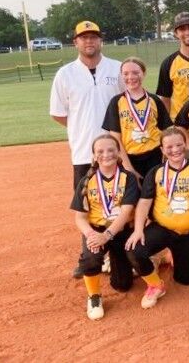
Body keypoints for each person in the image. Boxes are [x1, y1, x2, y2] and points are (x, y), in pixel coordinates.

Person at [50, 20, 125, 278]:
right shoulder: (65, 74)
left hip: (118, 152)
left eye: (93, 36)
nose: (89, 41)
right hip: (84, 153)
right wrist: (83, 129)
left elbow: (129, 105)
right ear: (76, 42)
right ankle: (92, 254)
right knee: (89, 205)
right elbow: (59, 114)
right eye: (84, 37)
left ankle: (121, 252)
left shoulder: (116, 69)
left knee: (121, 200)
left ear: (100, 40)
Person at [125, 126, 189, 309]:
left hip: (187, 232)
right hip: (162, 228)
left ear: (185, 145)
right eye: (169, 147)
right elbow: (144, 203)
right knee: (135, 250)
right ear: (161, 149)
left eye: (179, 145)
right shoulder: (156, 172)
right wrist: (138, 230)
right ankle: (155, 284)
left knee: (184, 279)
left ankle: (167, 255)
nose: (175, 150)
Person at [70, 134, 139, 320]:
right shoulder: (86, 181)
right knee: (91, 258)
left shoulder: (128, 178)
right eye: (100, 151)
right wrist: (91, 234)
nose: (106, 154)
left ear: (118, 154)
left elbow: (126, 213)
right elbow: (80, 218)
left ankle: (117, 262)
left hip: (120, 230)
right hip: (96, 229)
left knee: (123, 285)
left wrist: (106, 236)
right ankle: (94, 296)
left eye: (111, 150)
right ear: (93, 156)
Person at [102, 57, 173, 181]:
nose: (131, 77)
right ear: (121, 75)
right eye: (126, 73)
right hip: (129, 158)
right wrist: (128, 168)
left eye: (136, 72)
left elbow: (167, 132)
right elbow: (115, 139)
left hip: (155, 157)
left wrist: (165, 156)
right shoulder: (116, 102)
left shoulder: (154, 100)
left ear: (143, 73)